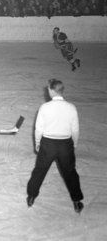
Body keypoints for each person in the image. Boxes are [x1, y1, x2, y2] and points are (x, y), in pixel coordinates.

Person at [27, 79, 84, 213]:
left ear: (52, 90)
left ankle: (31, 196)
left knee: (39, 171)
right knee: (70, 173)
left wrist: (37, 143)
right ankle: (77, 201)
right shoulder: (71, 107)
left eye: (48, 89)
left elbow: (38, 129)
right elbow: (75, 130)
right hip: (65, 144)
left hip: (48, 144)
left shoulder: (45, 107)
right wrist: (73, 144)